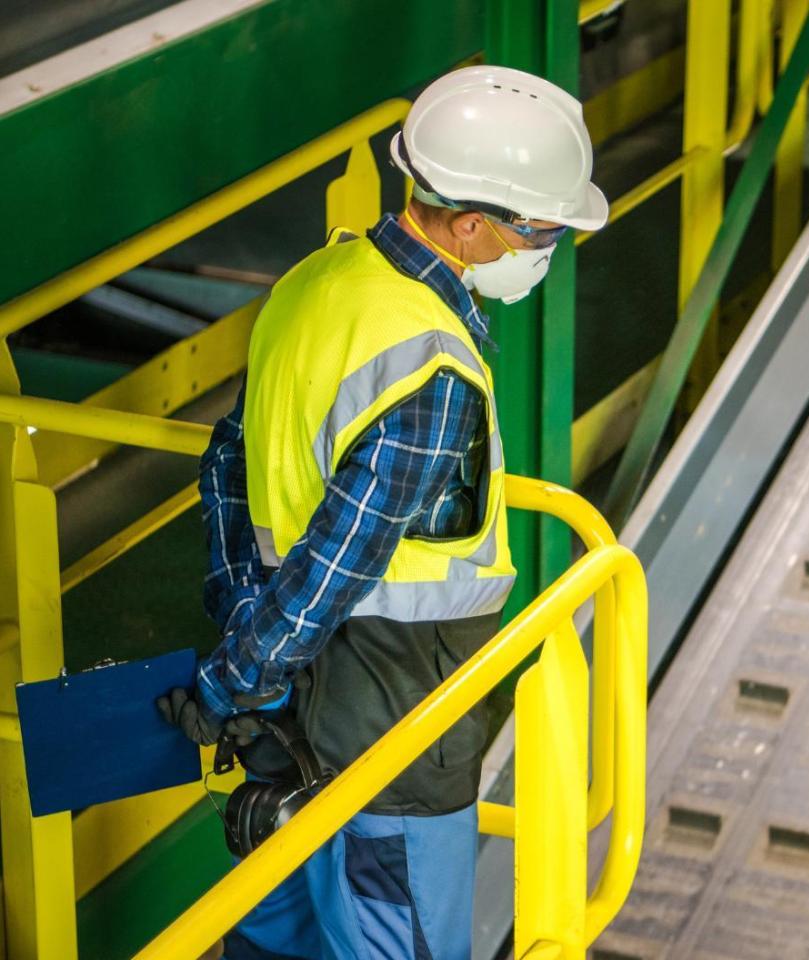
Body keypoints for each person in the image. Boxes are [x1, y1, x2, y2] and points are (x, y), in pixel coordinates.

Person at [155, 64, 607, 960]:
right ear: (474, 226)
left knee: (274, 926)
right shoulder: (430, 365)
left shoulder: (315, 284)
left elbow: (228, 468)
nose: (547, 248)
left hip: (284, 698)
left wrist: (241, 636)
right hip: (389, 718)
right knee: (394, 933)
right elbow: (340, 560)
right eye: (542, 229)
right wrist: (234, 680)